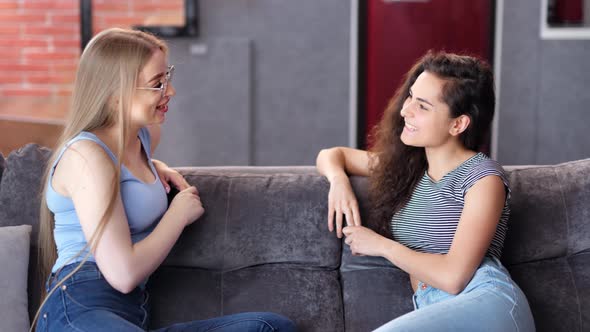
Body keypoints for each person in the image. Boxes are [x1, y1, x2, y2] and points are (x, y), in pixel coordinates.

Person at [34, 28, 296, 332]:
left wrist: (156, 166)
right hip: (80, 308)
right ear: (116, 95)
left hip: (131, 315)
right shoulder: (86, 156)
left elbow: (121, 172)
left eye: (167, 78)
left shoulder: (143, 137)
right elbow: (123, 274)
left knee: (269, 327)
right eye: (157, 84)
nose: (170, 92)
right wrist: (178, 214)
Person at [316, 51, 535, 331]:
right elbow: (331, 155)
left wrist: (380, 245)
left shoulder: (483, 179)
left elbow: (453, 277)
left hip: (486, 302)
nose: (406, 110)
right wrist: (338, 182)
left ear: (458, 124)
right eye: (410, 97)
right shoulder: (410, 170)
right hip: (435, 305)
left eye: (422, 106)